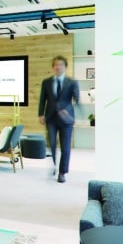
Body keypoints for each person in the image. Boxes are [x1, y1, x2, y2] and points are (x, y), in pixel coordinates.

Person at [38, 55, 80, 183]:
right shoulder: (46, 82)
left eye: (61, 64)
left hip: (66, 119)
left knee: (65, 147)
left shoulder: (72, 82)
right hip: (51, 118)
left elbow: (77, 100)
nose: (58, 67)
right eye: (56, 65)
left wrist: (68, 111)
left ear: (65, 67)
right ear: (53, 67)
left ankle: (62, 172)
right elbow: (42, 99)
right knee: (51, 144)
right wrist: (40, 114)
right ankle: (54, 165)